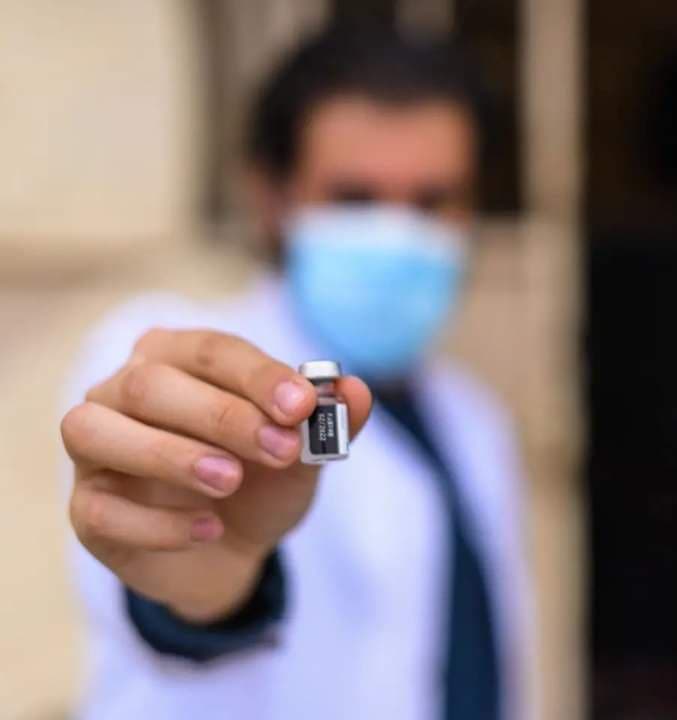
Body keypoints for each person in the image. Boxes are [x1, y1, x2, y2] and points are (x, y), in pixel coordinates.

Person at [59, 24, 531, 720]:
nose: (397, 235)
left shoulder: (474, 421)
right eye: (355, 200)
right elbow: (171, 598)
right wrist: (206, 589)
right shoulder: (172, 366)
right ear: (271, 196)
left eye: (432, 202)